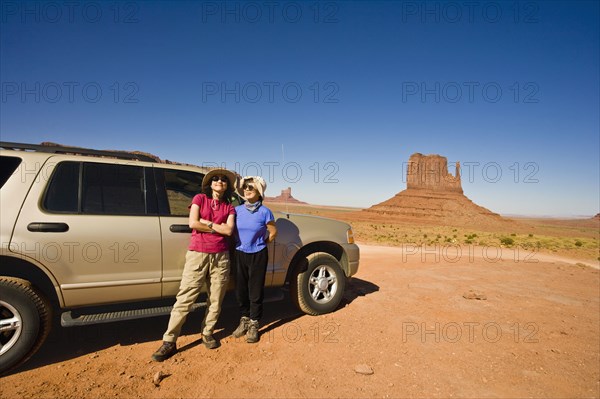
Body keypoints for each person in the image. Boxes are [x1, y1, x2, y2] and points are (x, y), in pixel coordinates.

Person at [151, 168, 237, 362]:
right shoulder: (199, 198)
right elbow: (193, 223)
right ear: (209, 183)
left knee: (216, 299)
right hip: (198, 253)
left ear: (227, 186)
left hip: (221, 257)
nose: (219, 181)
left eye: (224, 180)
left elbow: (229, 230)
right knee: (186, 297)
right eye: (215, 178)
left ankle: (207, 332)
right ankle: (169, 340)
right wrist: (217, 227)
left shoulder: (229, 207)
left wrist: (207, 224)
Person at [231, 176, 277, 343]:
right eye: (245, 187)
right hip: (239, 253)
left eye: (251, 187)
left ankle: (254, 323)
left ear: (259, 192)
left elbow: (272, 233)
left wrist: (260, 244)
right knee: (241, 290)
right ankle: (244, 320)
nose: (247, 189)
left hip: (258, 254)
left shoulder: (265, 212)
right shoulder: (237, 210)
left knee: (255, 290)